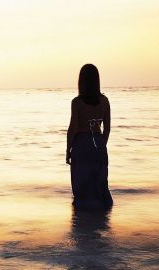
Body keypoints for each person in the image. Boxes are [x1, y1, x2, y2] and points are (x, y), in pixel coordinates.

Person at [66, 63, 113, 210]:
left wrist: (68, 149)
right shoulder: (104, 101)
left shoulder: (77, 103)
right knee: (99, 181)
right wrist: (100, 144)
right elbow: (107, 128)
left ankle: (83, 221)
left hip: (81, 144)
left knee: (81, 182)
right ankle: (101, 220)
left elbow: (73, 128)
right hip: (98, 142)